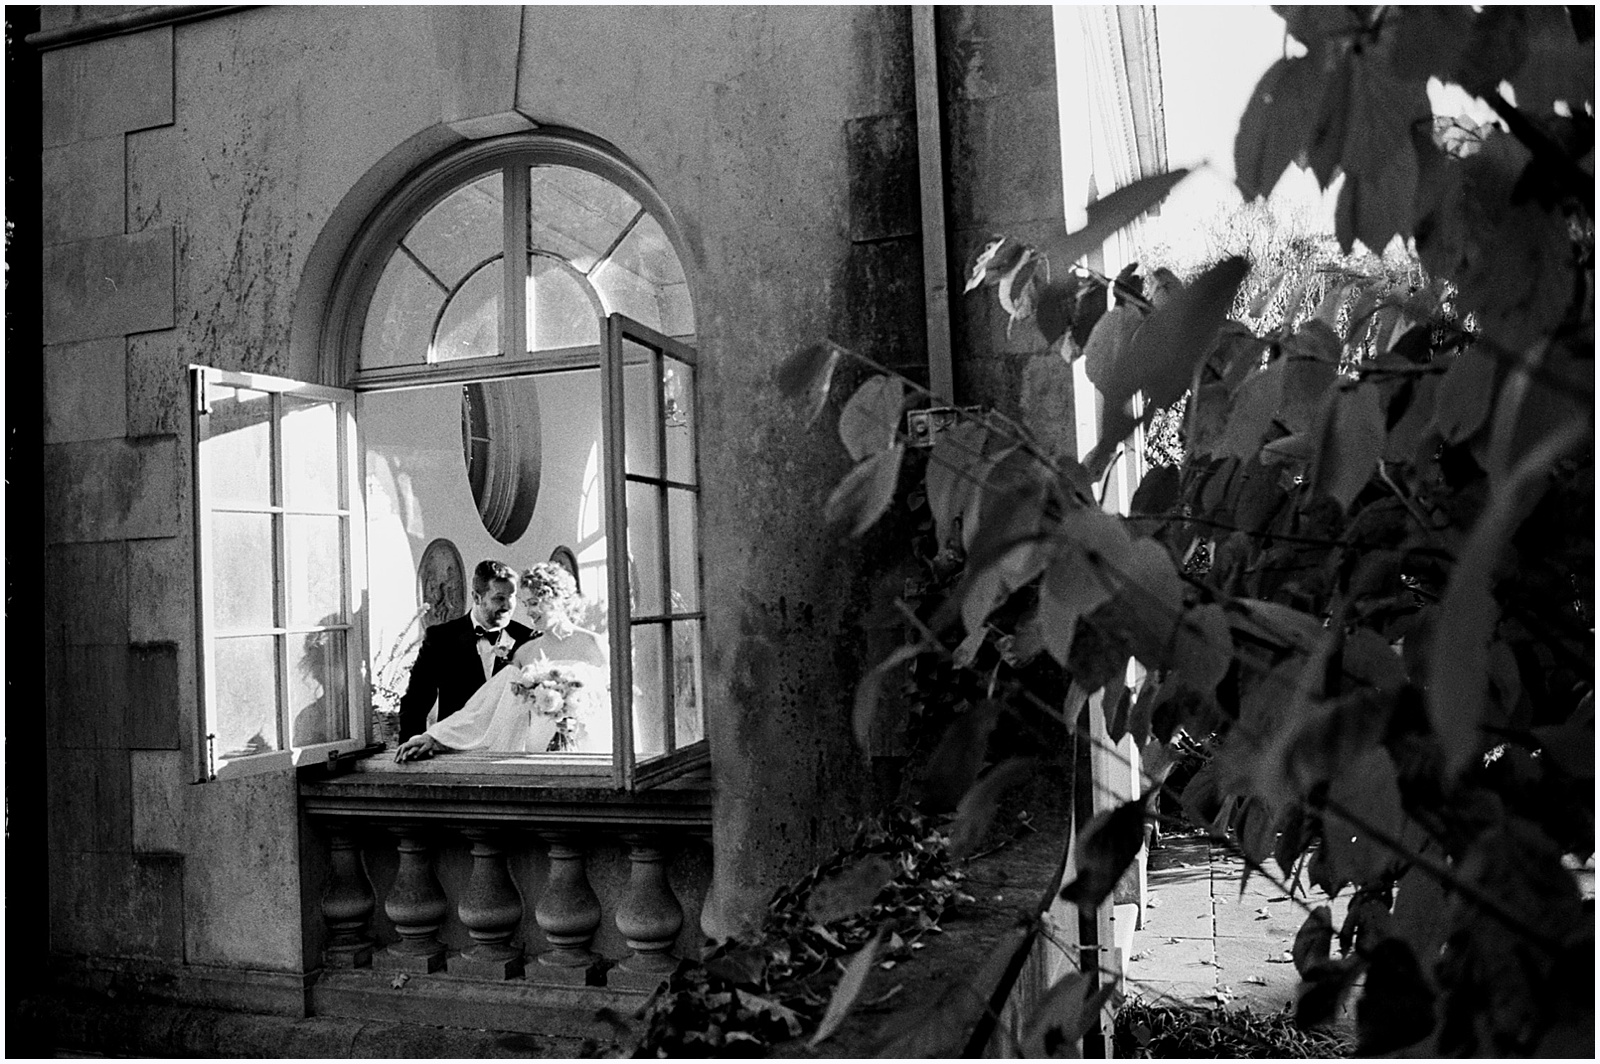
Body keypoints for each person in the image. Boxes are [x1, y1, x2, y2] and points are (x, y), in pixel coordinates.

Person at [394, 561, 611, 761]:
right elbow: (482, 707)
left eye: (533, 603)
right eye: (526, 604)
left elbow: (617, 702)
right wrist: (432, 737)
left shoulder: (593, 643)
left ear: (556, 599)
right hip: (536, 748)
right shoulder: (526, 653)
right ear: (477, 597)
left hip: (590, 742)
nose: (527, 612)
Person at [396, 560, 538, 742]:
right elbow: (417, 700)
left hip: (509, 746)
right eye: (499, 598)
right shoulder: (441, 638)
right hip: (456, 745)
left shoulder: (528, 639)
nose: (508, 606)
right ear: (477, 597)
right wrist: (409, 746)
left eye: (512, 597)